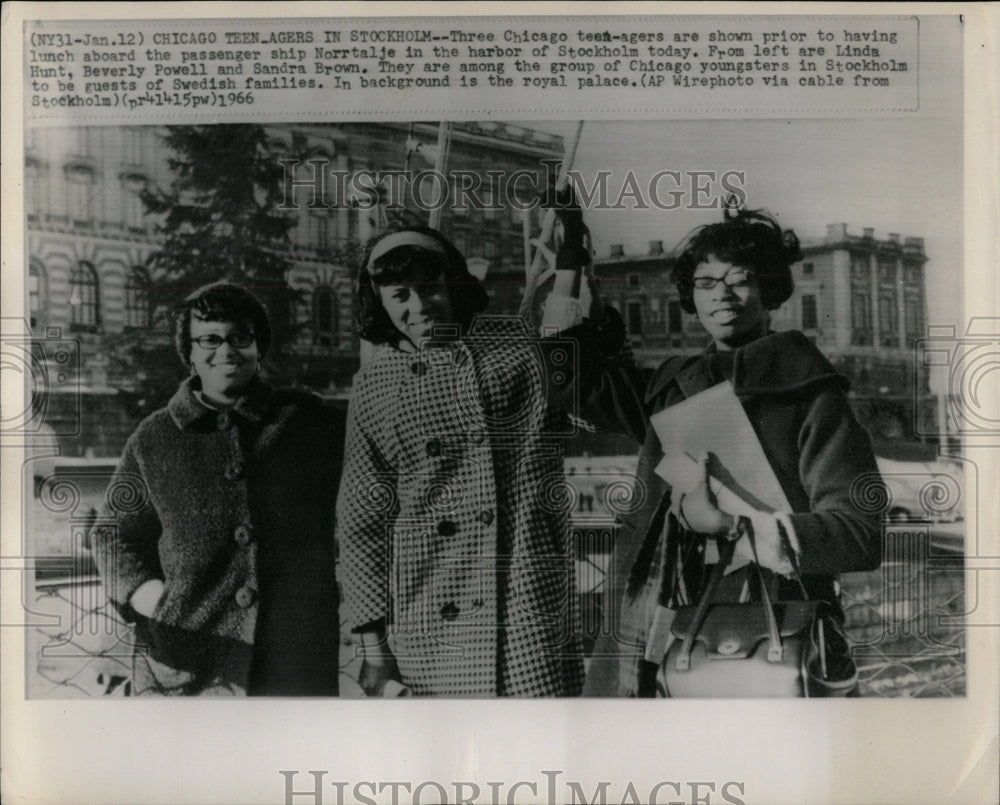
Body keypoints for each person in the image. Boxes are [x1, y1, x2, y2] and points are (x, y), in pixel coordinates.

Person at [581, 208, 885, 696]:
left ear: (769, 291)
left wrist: (727, 525)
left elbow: (860, 533)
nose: (721, 293)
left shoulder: (811, 391)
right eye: (705, 282)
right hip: (664, 629)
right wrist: (569, 276)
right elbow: (577, 383)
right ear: (691, 297)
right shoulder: (673, 387)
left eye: (739, 279)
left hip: (777, 627)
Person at [335, 221, 622, 697]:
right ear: (379, 302)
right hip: (428, 611)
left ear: (455, 284)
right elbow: (361, 522)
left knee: (537, 754)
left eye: (431, 289)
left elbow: (567, 340)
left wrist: (570, 260)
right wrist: (373, 648)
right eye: (399, 295)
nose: (419, 307)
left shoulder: (515, 350)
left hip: (525, 602)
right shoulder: (373, 384)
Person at [91, 283, 342, 696]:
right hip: (187, 663)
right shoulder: (154, 438)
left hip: (292, 664)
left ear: (258, 347)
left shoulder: (305, 423)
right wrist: (149, 597)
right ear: (189, 351)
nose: (226, 350)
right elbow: (111, 533)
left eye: (240, 338)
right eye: (209, 339)